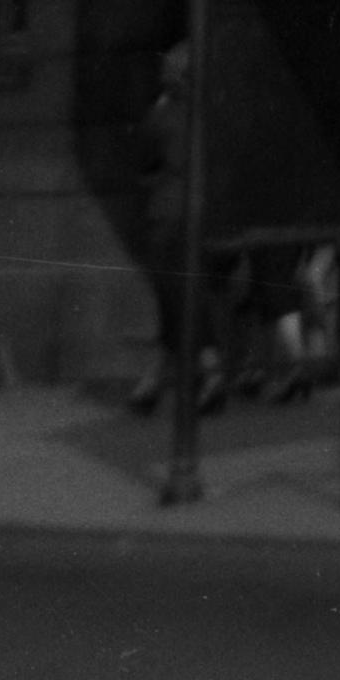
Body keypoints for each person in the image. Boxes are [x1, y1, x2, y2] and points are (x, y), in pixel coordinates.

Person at [129, 41, 219, 419]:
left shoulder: (162, 115)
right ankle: (154, 382)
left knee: (174, 295)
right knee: (187, 290)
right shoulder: (211, 114)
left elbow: (144, 160)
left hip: (168, 213)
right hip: (204, 212)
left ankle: (208, 369)